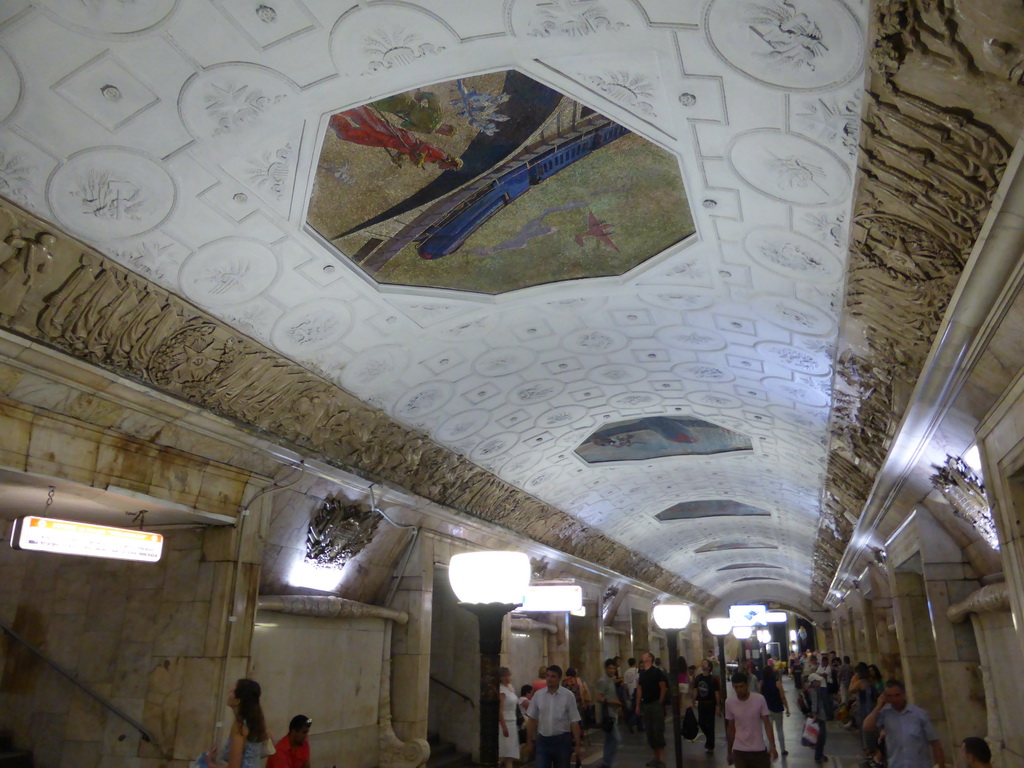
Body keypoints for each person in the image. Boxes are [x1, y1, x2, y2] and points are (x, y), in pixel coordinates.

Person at [863, 680, 945, 768]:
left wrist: (941, 765)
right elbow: (867, 727)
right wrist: (878, 706)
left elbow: (935, 742)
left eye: (897, 695)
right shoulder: (885, 714)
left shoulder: (919, 715)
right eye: (890, 696)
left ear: (904, 694)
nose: (894, 699)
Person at [526, 665, 584, 768]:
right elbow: (531, 719)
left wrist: (578, 745)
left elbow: (574, 721)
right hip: (543, 741)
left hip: (562, 741)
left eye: (553, 676)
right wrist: (529, 741)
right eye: (547, 675)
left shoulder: (568, 695)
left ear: (559, 679)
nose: (549, 679)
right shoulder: (538, 695)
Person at [207, 678, 270, 768]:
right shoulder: (257, 723)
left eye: (232, 691)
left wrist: (210, 764)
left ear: (237, 700)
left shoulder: (239, 727)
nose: (228, 692)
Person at [724, 672, 777, 768]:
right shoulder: (729, 703)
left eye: (741, 686)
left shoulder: (759, 699)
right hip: (739, 750)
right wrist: (729, 751)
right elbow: (731, 728)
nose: (739, 690)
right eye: (736, 687)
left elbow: (767, 724)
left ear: (747, 685)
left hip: (758, 749)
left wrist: (772, 746)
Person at [635, 651, 668, 768]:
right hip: (646, 705)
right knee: (650, 732)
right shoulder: (642, 673)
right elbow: (639, 689)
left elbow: (663, 687)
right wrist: (638, 705)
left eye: (645, 655)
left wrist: (660, 702)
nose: (642, 656)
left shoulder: (657, 672)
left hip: (655, 704)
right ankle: (656, 757)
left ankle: (662, 759)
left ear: (649, 658)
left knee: (658, 730)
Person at [594, 658, 623, 768]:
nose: (612, 670)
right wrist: (613, 702)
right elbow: (598, 697)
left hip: (612, 712)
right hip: (608, 714)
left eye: (614, 668)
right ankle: (607, 762)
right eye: (610, 668)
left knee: (609, 739)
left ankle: (606, 763)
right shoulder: (603, 681)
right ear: (606, 668)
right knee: (616, 739)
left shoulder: (610, 680)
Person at [691, 658, 722, 753]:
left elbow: (717, 693)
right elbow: (695, 690)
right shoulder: (698, 678)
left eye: (705, 663)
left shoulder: (713, 680)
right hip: (701, 704)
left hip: (710, 704)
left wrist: (718, 706)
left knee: (710, 724)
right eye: (702, 663)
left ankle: (710, 745)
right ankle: (709, 739)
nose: (703, 665)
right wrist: (693, 700)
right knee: (701, 723)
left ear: (709, 667)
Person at [760, 665, 789, 756]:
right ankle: (783, 749)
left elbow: (760, 697)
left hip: (767, 710)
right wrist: (787, 708)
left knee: (768, 730)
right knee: (780, 729)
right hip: (777, 708)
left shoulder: (762, 683)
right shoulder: (777, 683)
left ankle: (769, 749)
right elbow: (782, 697)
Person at [498, 667, 520, 768]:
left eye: (508, 675)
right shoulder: (502, 690)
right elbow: (500, 710)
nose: (507, 677)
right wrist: (504, 727)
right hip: (506, 722)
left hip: (512, 722)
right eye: (504, 675)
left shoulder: (510, 687)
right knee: (503, 755)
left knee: (509, 755)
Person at [807, 673, 830, 763]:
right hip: (819, 717)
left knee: (820, 737)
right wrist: (815, 715)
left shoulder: (815, 689)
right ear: (813, 682)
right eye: (818, 681)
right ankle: (818, 755)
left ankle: (819, 754)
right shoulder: (813, 690)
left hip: (820, 716)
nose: (820, 682)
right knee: (821, 737)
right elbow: (814, 703)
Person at [623, 658, 640, 733]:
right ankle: (631, 722)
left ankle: (640, 726)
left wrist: (627, 694)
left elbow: (625, 685)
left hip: (630, 692)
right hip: (637, 691)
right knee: (638, 708)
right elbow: (638, 681)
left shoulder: (626, 672)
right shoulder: (637, 671)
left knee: (634, 708)